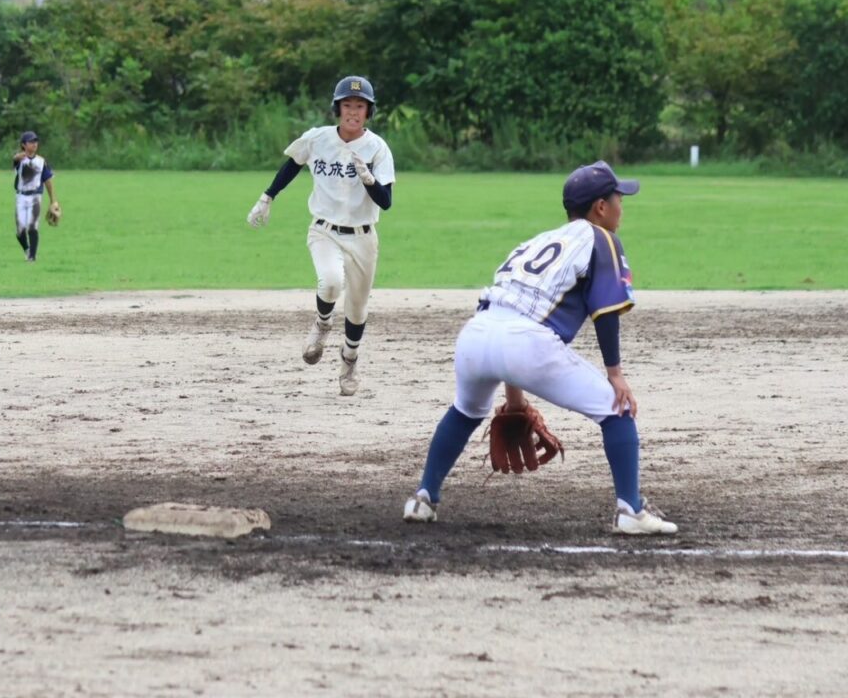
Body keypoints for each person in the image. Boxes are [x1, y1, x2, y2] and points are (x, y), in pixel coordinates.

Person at [402, 161, 678, 535]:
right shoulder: (602, 238)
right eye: (618, 198)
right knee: (617, 412)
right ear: (600, 207)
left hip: (476, 334)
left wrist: (515, 399)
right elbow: (606, 311)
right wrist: (615, 374)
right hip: (526, 342)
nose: (621, 206)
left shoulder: (536, 240)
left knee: (465, 411)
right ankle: (630, 508)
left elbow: (503, 318)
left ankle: (423, 497)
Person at [246, 76, 396, 396]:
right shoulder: (318, 139)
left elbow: (386, 201)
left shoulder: (377, 148)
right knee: (330, 281)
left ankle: (349, 361)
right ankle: (322, 324)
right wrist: (266, 198)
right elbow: (291, 165)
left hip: (363, 237)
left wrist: (369, 179)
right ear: (337, 109)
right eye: (347, 106)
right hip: (324, 230)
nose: (352, 112)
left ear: (368, 112)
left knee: (357, 309)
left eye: (359, 106)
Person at [12, 130, 59, 262]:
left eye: (35, 141)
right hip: (21, 196)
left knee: (32, 227)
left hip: (35, 197)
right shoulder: (20, 160)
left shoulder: (41, 161)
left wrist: (53, 201)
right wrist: (18, 156)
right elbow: (15, 159)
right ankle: (27, 249)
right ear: (23, 144)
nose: (34, 144)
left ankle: (32, 257)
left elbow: (48, 180)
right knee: (20, 230)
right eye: (31, 142)